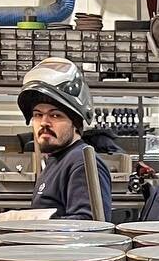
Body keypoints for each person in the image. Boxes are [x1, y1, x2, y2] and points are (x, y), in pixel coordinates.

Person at [17, 58, 113, 220]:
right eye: (38, 115)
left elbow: (88, 227)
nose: (44, 123)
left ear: (75, 123)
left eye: (55, 115)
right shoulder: (57, 160)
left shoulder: (81, 163)